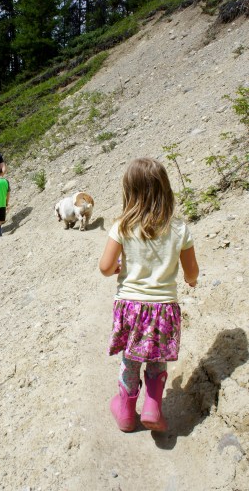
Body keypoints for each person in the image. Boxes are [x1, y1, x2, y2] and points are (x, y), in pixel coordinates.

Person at [99, 157, 199, 432]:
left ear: (129, 191)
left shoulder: (122, 226)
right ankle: (153, 408)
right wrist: (191, 281)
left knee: (130, 360)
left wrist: (117, 267)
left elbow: (105, 267)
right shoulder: (178, 228)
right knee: (156, 359)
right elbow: (191, 271)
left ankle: (127, 413)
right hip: (163, 309)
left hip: (130, 307)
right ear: (165, 190)